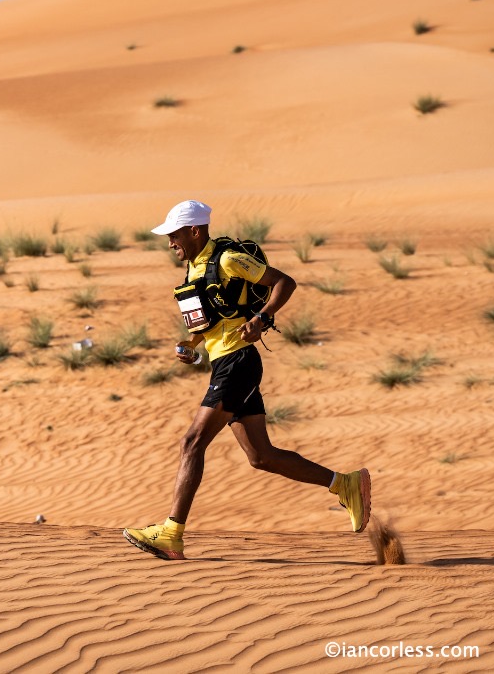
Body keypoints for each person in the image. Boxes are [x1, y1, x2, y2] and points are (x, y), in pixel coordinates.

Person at [123, 200, 370, 560]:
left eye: (174, 235)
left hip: (238, 362)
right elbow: (212, 321)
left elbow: (284, 282)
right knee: (261, 456)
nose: (170, 242)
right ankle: (344, 484)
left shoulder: (228, 259)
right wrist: (191, 344)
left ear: (194, 231)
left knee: (192, 442)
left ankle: (172, 534)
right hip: (224, 363)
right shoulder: (194, 269)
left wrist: (262, 319)